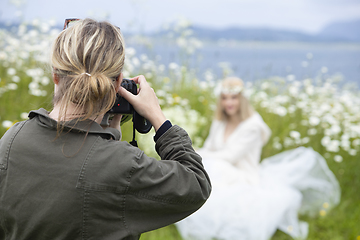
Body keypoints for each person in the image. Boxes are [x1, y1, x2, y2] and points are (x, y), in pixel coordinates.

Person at [0, 18, 211, 240]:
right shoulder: (122, 165)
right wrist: (158, 117)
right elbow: (196, 185)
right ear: (118, 82)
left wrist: (106, 137)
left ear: (55, 75)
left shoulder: (12, 140)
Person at [176, 77, 340, 240]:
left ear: (242, 99)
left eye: (234, 98)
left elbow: (230, 156)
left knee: (214, 167)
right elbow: (210, 146)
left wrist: (197, 154)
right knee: (207, 166)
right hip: (222, 168)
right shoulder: (220, 121)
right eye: (224, 98)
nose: (229, 103)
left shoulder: (253, 126)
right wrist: (195, 153)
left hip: (243, 174)